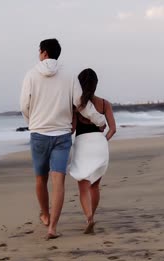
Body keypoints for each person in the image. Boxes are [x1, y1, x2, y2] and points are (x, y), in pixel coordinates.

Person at [20, 39, 106, 240]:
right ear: (57, 54)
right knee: (58, 181)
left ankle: (45, 215)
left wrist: (32, 121)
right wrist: (100, 120)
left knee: (40, 178)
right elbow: (80, 103)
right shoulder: (69, 76)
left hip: (39, 134)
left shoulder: (31, 75)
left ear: (43, 53)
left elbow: (24, 105)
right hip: (62, 135)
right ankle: (53, 228)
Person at [69, 68, 116, 234]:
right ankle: (92, 216)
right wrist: (104, 140)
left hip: (83, 145)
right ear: (96, 84)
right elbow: (112, 129)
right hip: (99, 145)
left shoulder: (77, 106)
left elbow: (72, 129)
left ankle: (89, 217)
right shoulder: (104, 104)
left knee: (83, 186)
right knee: (95, 185)